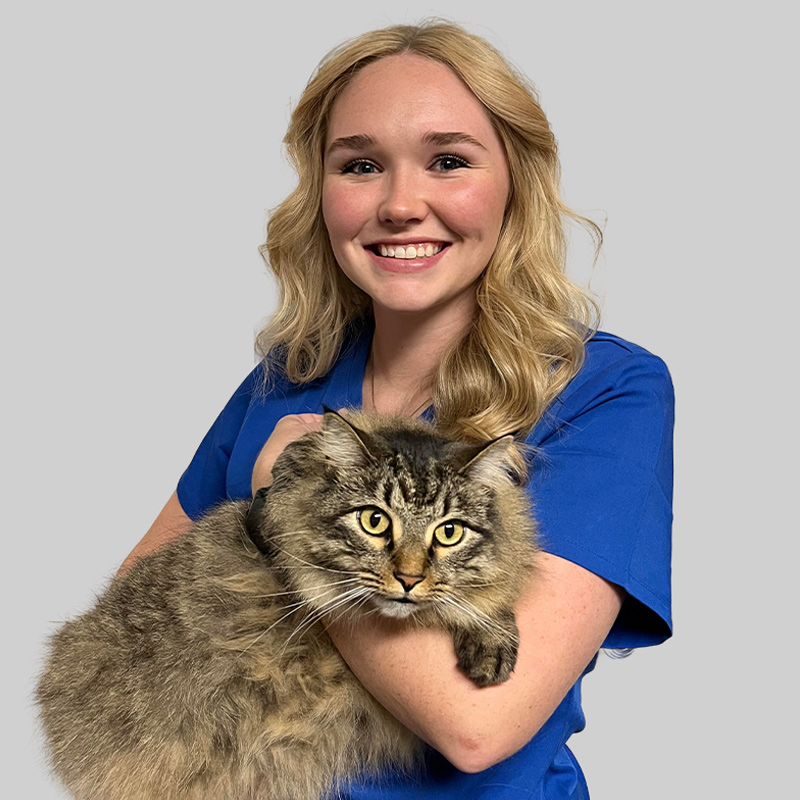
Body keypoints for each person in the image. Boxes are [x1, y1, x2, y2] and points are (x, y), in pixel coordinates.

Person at [122, 20, 673, 799]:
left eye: (448, 161)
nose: (400, 204)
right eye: (361, 165)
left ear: (514, 180)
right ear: (322, 192)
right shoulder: (290, 377)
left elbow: (476, 724)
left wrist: (289, 513)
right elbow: (131, 623)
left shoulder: (603, 391)